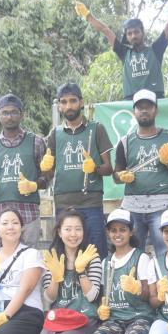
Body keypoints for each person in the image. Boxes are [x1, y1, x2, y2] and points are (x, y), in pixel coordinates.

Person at [75, 0, 168, 100]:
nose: (133, 36)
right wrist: (87, 15)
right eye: (130, 33)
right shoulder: (124, 52)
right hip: (131, 102)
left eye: (136, 32)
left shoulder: (156, 49)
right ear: (126, 36)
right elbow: (106, 30)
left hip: (156, 100)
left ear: (142, 32)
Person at [113, 89, 168, 256]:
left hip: (162, 205)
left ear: (156, 110)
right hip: (132, 206)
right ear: (134, 111)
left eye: (148, 106)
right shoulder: (125, 142)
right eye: (140, 107)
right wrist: (122, 176)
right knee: (131, 257)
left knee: (166, 255)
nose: (144, 110)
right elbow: (115, 176)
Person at [40, 82, 113, 257]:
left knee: (96, 254)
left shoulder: (96, 129)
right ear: (59, 106)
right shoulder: (54, 134)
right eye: (64, 102)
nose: (69, 106)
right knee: (66, 255)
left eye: (73, 101)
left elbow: (109, 168)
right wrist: (46, 168)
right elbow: (49, 175)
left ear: (81, 102)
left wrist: (95, 168)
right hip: (63, 204)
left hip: (91, 203)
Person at [35, 208, 102, 334]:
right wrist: (56, 278)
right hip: (59, 317)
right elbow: (49, 298)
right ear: (59, 231)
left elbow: (92, 296)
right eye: (68, 229)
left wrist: (81, 271)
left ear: (84, 232)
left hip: (85, 318)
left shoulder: (91, 257)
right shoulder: (52, 258)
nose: (73, 234)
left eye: (78, 229)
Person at [0, 94, 48, 247]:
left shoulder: (36, 142)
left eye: (14, 112)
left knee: (29, 258)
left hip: (28, 215)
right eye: (5, 113)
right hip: (0, 216)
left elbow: (47, 177)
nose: (9, 117)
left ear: (22, 115)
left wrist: (34, 185)